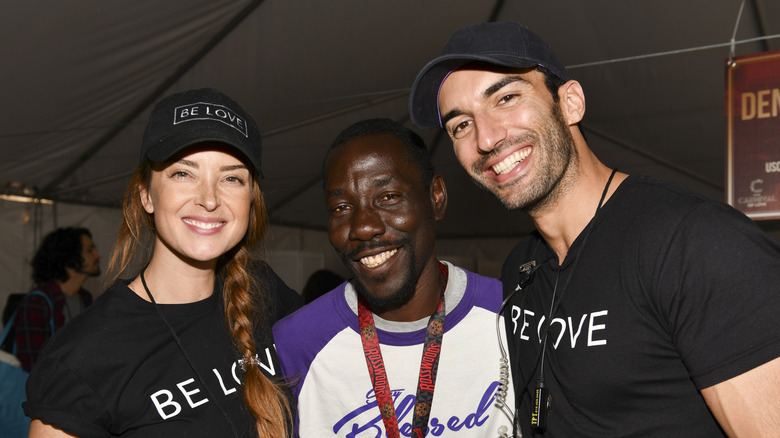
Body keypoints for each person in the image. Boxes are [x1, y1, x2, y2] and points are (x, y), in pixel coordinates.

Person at [408, 21, 780, 437]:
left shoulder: (695, 243)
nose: (487, 138)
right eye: (461, 125)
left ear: (571, 103)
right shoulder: (521, 268)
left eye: (507, 98)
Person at [24, 88, 301, 437]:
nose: (210, 199)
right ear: (146, 195)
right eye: (183, 173)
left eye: (232, 178)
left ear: (251, 198)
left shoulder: (266, 291)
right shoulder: (83, 358)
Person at [272, 118, 514, 437]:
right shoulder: (294, 343)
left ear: (436, 197)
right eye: (341, 207)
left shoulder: (511, 315)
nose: (362, 226)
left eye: (388, 197)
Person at [12, 227, 99, 371]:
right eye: (90, 250)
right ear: (70, 257)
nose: (97, 256)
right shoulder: (38, 303)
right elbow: (33, 365)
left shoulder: (86, 298)